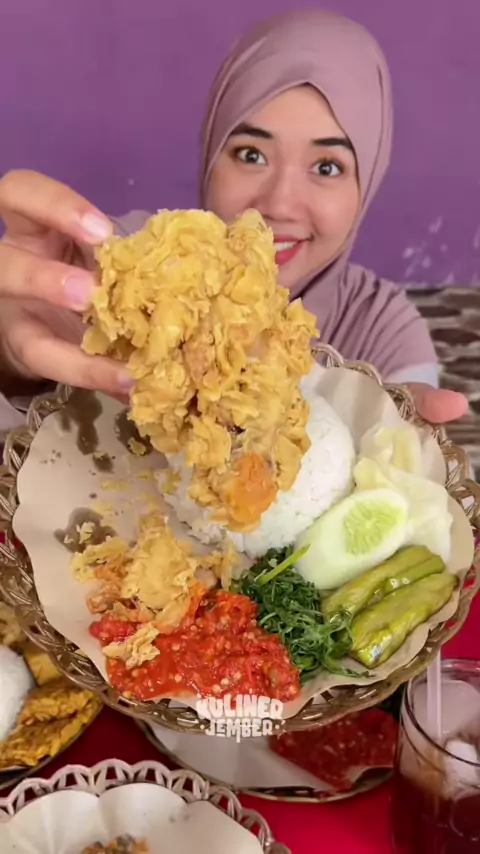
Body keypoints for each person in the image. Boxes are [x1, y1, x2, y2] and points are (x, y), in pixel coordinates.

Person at [0, 8, 467, 437]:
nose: (279, 204)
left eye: (326, 167)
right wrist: (10, 358)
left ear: (367, 182)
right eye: (251, 154)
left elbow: (397, 470)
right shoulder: (115, 273)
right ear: (210, 154)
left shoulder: (382, 329)